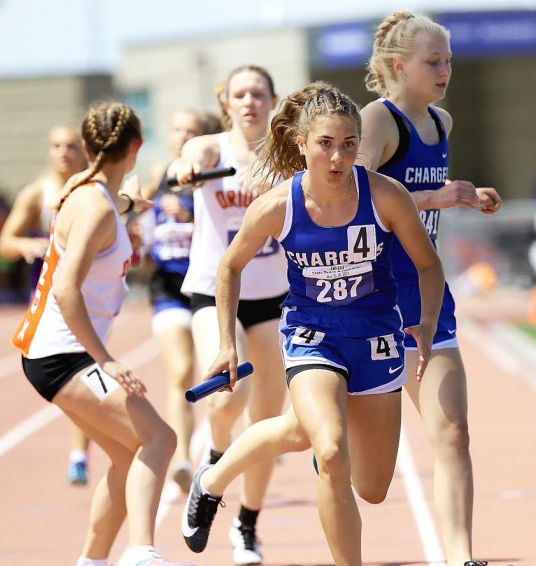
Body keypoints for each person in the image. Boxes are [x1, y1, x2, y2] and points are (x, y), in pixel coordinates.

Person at [179, 81, 444, 566]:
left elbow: (428, 264)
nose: (338, 157)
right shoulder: (277, 205)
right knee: (332, 449)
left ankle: (211, 479)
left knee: (373, 486)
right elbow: (228, 266)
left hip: (375, 335)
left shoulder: (384, 196)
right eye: (325, 144)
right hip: (312, 334)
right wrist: (225, 343)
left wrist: (425, 324)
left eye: (348, 144)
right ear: (301, 144)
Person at [11, 101, 189, 566]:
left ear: (86, 146)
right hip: (62, 354)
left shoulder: (88, 191)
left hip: (56, 351)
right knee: (160, 440)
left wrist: (131, 203)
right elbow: (67, 291)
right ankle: (141, 552)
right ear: (137, 147)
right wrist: (105, 360)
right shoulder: (95, 208)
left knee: (131, 457)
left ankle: (92, 561)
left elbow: (108, 201)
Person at [357, 12, 501, 566]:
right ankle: (220, 474)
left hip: (425, 298)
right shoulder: (378, 119)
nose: (444, 71)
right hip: (368, 303)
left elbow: (425, 195)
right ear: (399, 66)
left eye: (448, 62)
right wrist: (438, 197)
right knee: (357, 470)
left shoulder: (441, 123)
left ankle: (460, 558)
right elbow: (353, 197)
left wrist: (464, 195)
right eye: (432, 62)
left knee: (454, 434)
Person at [173, 65, 289, 565]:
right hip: (214, 292)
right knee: (226, 393)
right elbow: (186, 159)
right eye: (240, 95)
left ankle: (247, 528)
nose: (249, 102)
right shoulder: (210, 150)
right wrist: (184, 168)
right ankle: (215, 463)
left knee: (266, 420)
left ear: (273, 100)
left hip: (274, 296)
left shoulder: (287, 156)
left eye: (258, 94)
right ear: (227, 104)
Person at [0, 124, 93, 485]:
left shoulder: (91, 190)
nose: (63, 152)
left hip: (89, 295)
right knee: (74, 376)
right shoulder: (38, 194)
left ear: (83, 150)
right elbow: (4, 243)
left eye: (70, 145)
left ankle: (82, 452)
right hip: (50, 299)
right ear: (48, 151)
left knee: (87, 373)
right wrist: (25, 246)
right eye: (56, 146)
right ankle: (82, 449)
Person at [137, 108, 222, 492]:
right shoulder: (159, 175)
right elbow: (140, 221)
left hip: (203, 284)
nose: (182, 136)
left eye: (191, 131)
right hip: (167, 286)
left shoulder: (210, 173)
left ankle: (223, 440)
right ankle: (185, 457)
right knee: (181, 371)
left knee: (214, 373)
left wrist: (186, 215)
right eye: (176, 129)